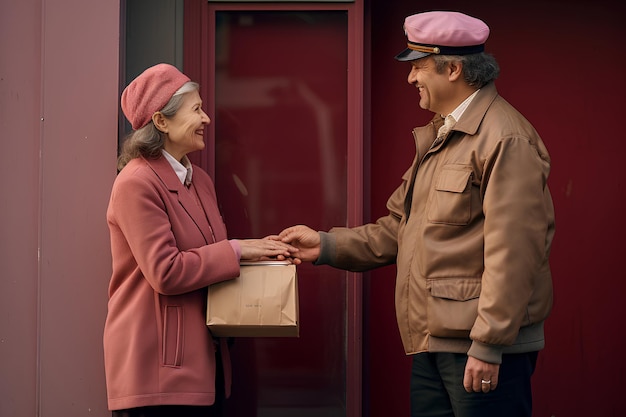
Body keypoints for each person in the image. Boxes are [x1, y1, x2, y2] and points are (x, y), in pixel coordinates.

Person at [279, 11, 555, 417]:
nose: (411, 78)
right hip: (435, 340)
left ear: (455, 69)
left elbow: (514, 252)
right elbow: (398, 229)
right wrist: (325, 245)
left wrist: (489, 344)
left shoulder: (504, 137)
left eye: (419, 67)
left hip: (479, 347)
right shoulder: (443, 135)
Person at [104, 63, 297, 417]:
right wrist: (239, 249)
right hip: (157, 377)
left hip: (205, 367)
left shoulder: (201, 180)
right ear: (161, 122)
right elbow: (166, 271)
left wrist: (262, 253)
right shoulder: (136, 183)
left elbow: (211, 258)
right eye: (196, 109)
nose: (207, 118)